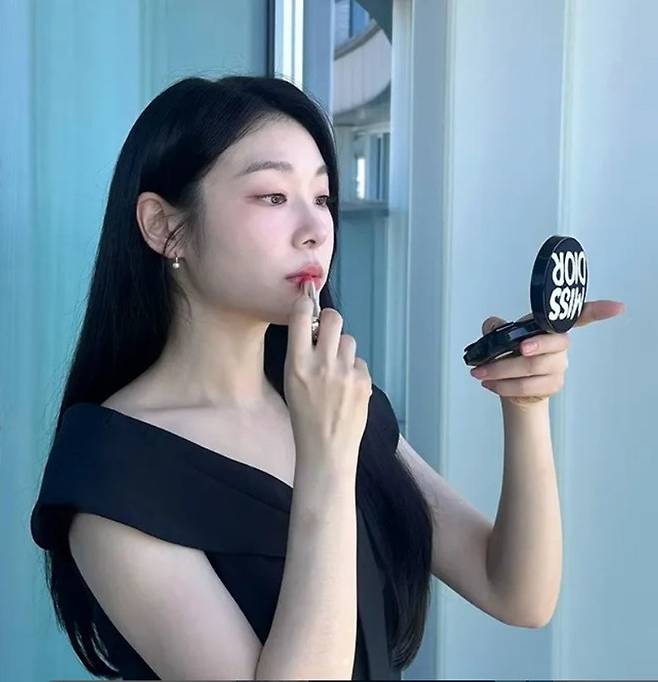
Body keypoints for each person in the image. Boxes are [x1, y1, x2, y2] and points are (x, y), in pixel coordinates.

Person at [30, 75, 433, 680]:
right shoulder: (112, 472)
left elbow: (513, 590)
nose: (316, 229)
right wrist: (326, 462)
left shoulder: (334, 401)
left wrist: (527, 404)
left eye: (323, 198)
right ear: (164, 227)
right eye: (273, 196)